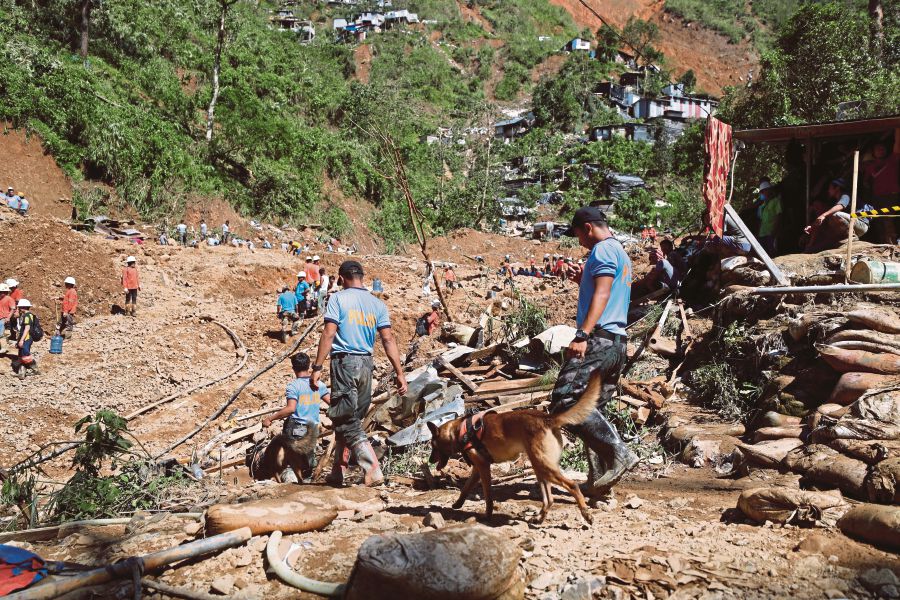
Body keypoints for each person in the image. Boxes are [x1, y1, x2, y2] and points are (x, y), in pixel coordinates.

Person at [552, 207, 637, 499]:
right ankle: (600, 481)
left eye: (577, 234)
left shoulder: (600, 251)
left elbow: (602, 295)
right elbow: (609, 292)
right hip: (618, 342)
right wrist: (582, 282)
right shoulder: (620, 253)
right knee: (592, 407)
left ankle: (619, 453)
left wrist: (581, 334)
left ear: (587, 228)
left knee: (566, 401)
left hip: (598, 339)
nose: (578, 242)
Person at [311, 260, 407, 487]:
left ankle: (372, 468)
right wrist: (399, 372)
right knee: (352, 418)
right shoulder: (377, 305)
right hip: (367, 365)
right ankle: (338, 471)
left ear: (342, 279)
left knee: (345, 418)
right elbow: (388, 339)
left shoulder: (337, 299)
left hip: (344, 362)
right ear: (362, 278)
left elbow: (328, 334)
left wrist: (316, 367)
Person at [261, 352, 330, 483]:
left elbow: (290, 409)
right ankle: (308, 477)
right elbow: (332, 402)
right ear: (309, 366)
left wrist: (270, 418)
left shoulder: (293, 386)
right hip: (313, 428)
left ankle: (290, 472)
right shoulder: (319, 385)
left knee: (290, 450)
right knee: (309, 455)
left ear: (293, 368)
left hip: (297, 427)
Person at [804, 178, 874, 253]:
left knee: (835, 214)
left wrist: (824, 215)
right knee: (830, 221)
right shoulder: (838, 201)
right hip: (854, 225)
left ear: (837, 188)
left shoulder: (845, 195)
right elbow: (825, 221)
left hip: (860, 224)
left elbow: (841, 206)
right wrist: (813, 226)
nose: (828, 190)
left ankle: (851, 237)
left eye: (830, 188)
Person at [863, 130, 900, 244]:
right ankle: (882, 245)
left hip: (891, 196)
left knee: (889, 221)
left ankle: (892, 245)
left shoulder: (892, 160)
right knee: (878, 221)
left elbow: (897, 145)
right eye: (877, 149)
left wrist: (897, 128)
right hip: (877, 197)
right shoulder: (870, 166)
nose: (881, 150)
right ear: (873, 152)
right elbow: (865, 181)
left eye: (882, 148)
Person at [14, 299, 37, 380]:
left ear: (23, 307)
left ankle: (35, 369)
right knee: (21, 355)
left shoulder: (27, 316)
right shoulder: (28, 315)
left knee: (25, 354)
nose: (19, 309)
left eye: (20, 307)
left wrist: (21, 340)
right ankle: (21, 373)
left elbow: (27, 328)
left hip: (26, 337)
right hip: (26, 337)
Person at [757, 181, 782, 256]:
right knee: (763, 254)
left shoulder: (776, 201)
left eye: (764, 191)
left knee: (772, 254)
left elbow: (779, 216)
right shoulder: (762, 206)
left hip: (771, 232)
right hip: (762, 234)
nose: (762, 194)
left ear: (769, 191)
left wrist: (775, 230)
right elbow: (760, 221)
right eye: (761, 192)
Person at [0, 283, 13, 352]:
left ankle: (4, 348)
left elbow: (13, 309)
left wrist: (8, 317)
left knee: (1, 334)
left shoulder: (9, 299)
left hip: (4, 318)